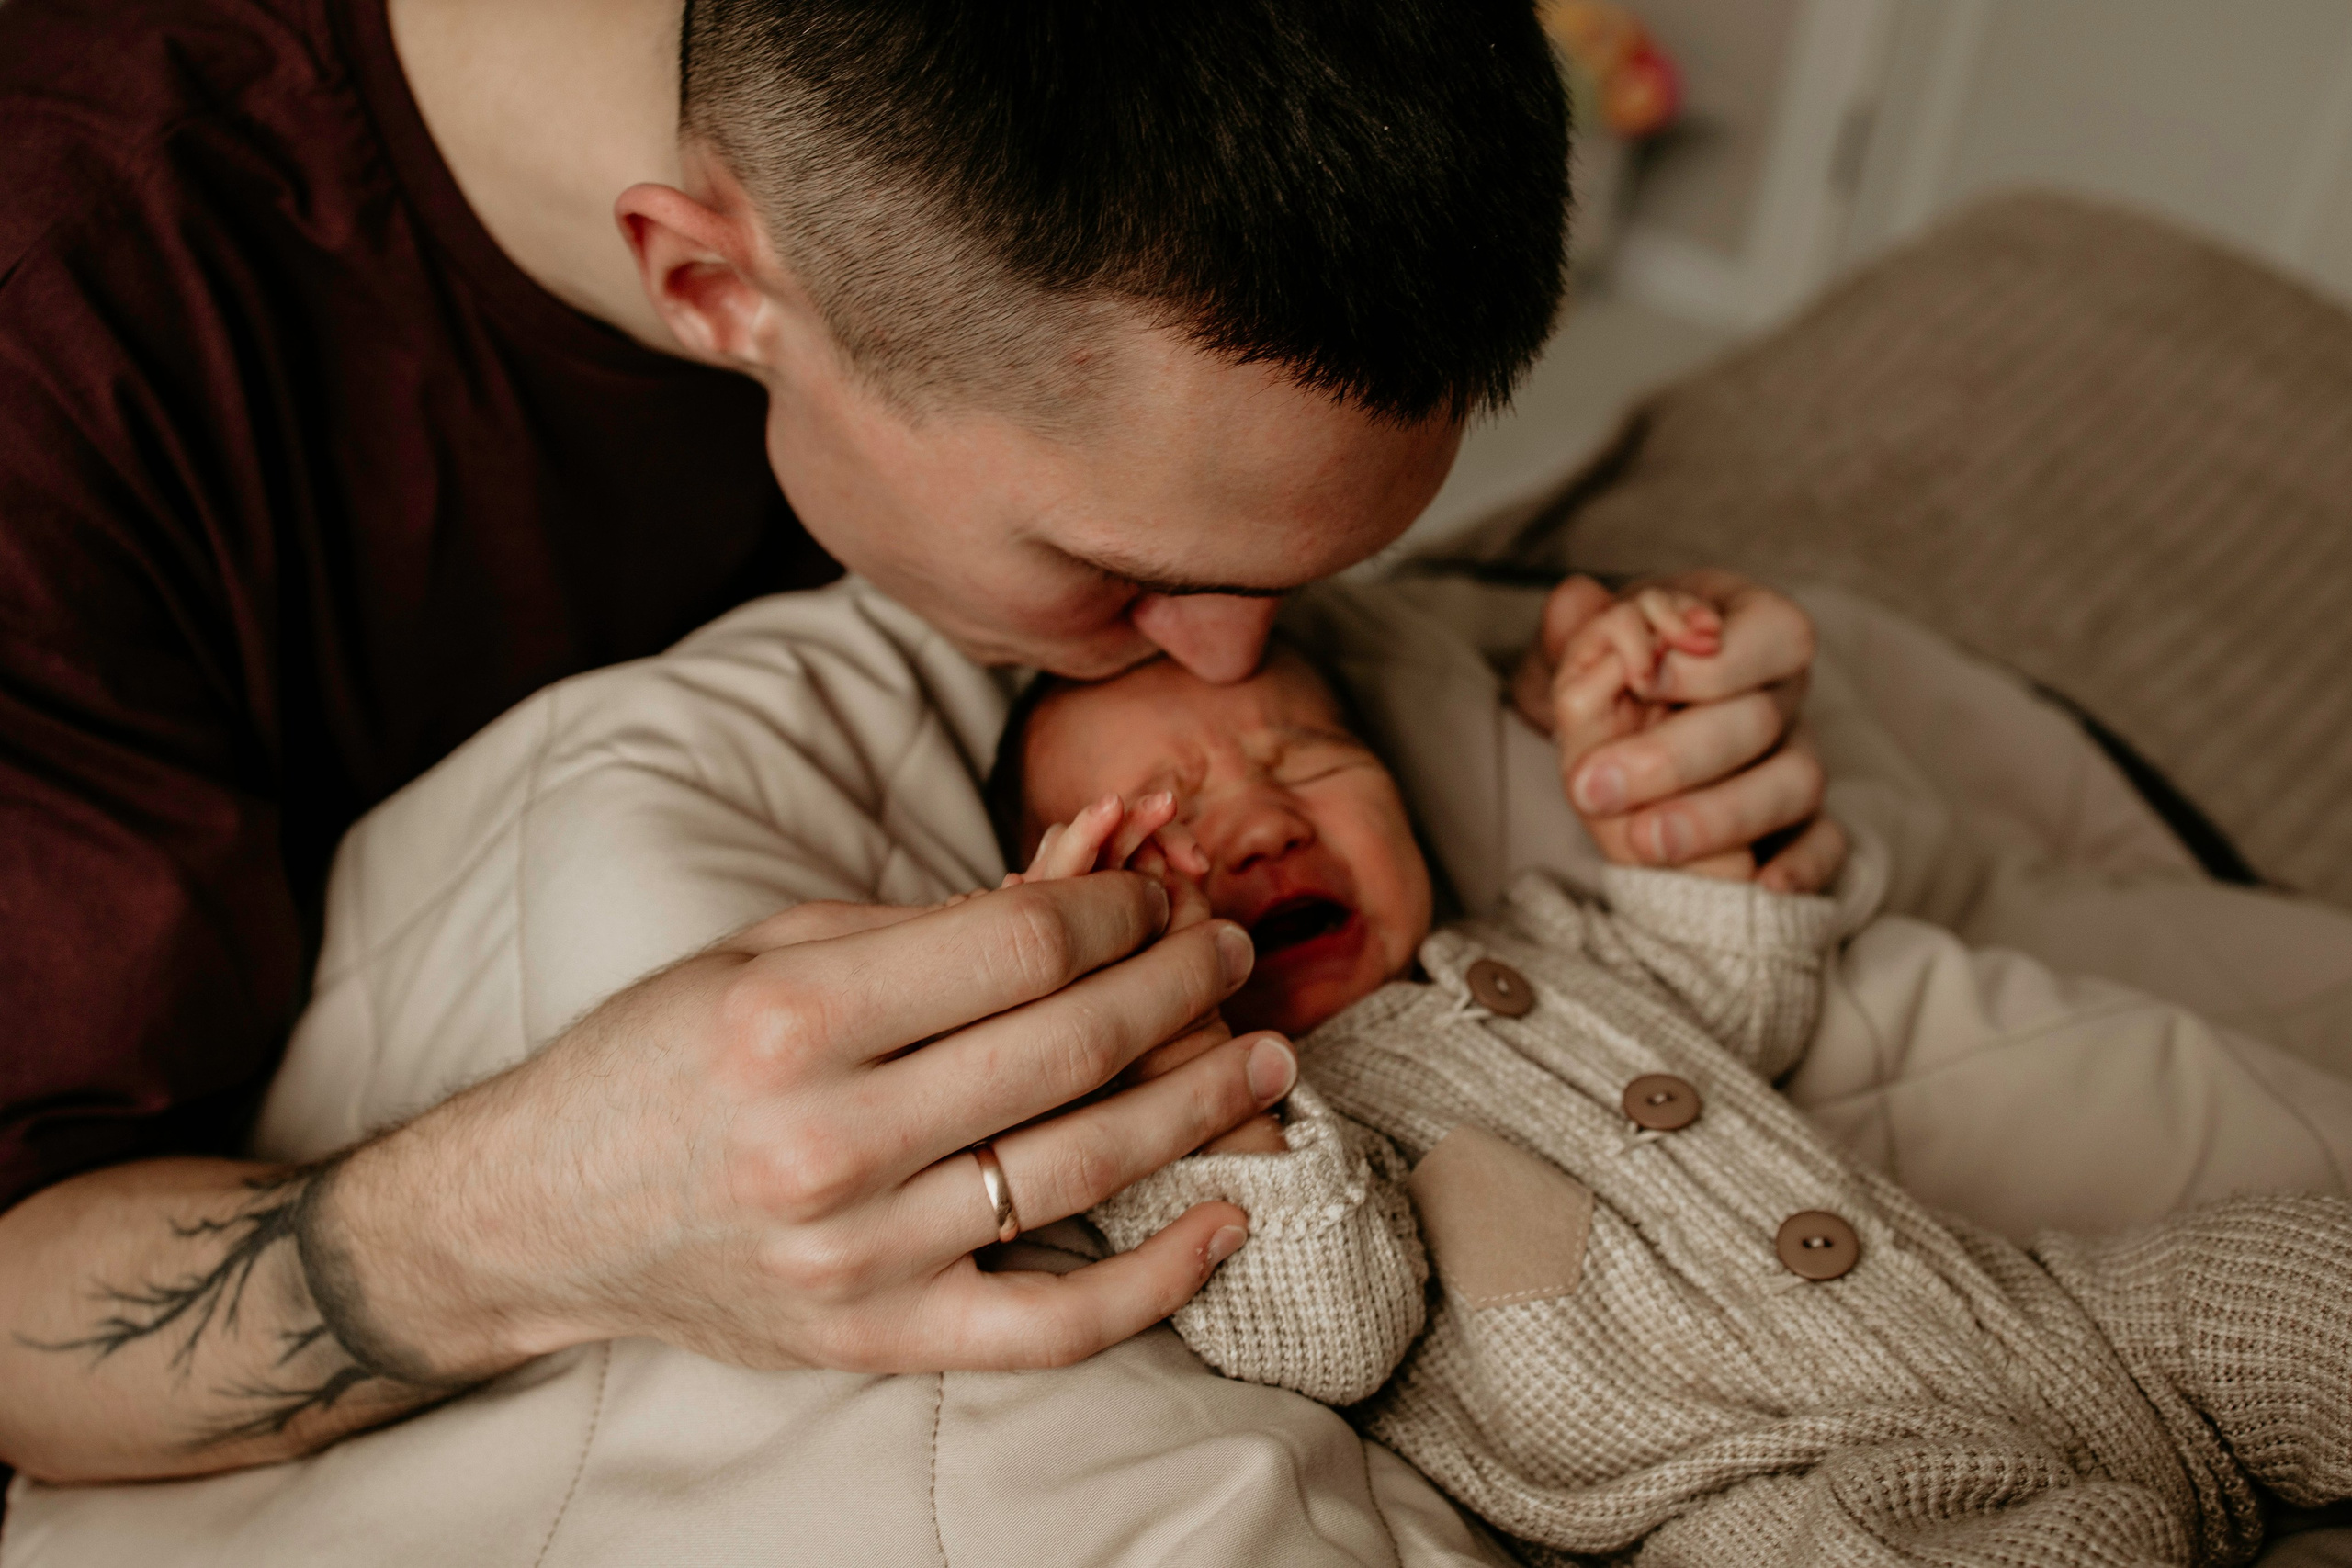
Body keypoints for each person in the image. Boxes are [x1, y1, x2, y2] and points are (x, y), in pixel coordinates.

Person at [0, 0, 1833, 1485]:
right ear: (713, 289)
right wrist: (510, 1221)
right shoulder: (72, 359)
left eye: (1301, 576)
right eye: (1124, 568)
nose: (1231, 657)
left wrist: (1589, 685)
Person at [998, 592, 2352, 1565]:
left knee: (2302, 1281)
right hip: (1757, 1495)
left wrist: (1675, 832)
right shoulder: (1207, 1142)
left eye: (1311, 760)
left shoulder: (1540, 937)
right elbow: (1324, 1335)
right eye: (1162, 838)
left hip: (2029, 1308)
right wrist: (1193, 1069)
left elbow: (1747, 986)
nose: (1262, 819)